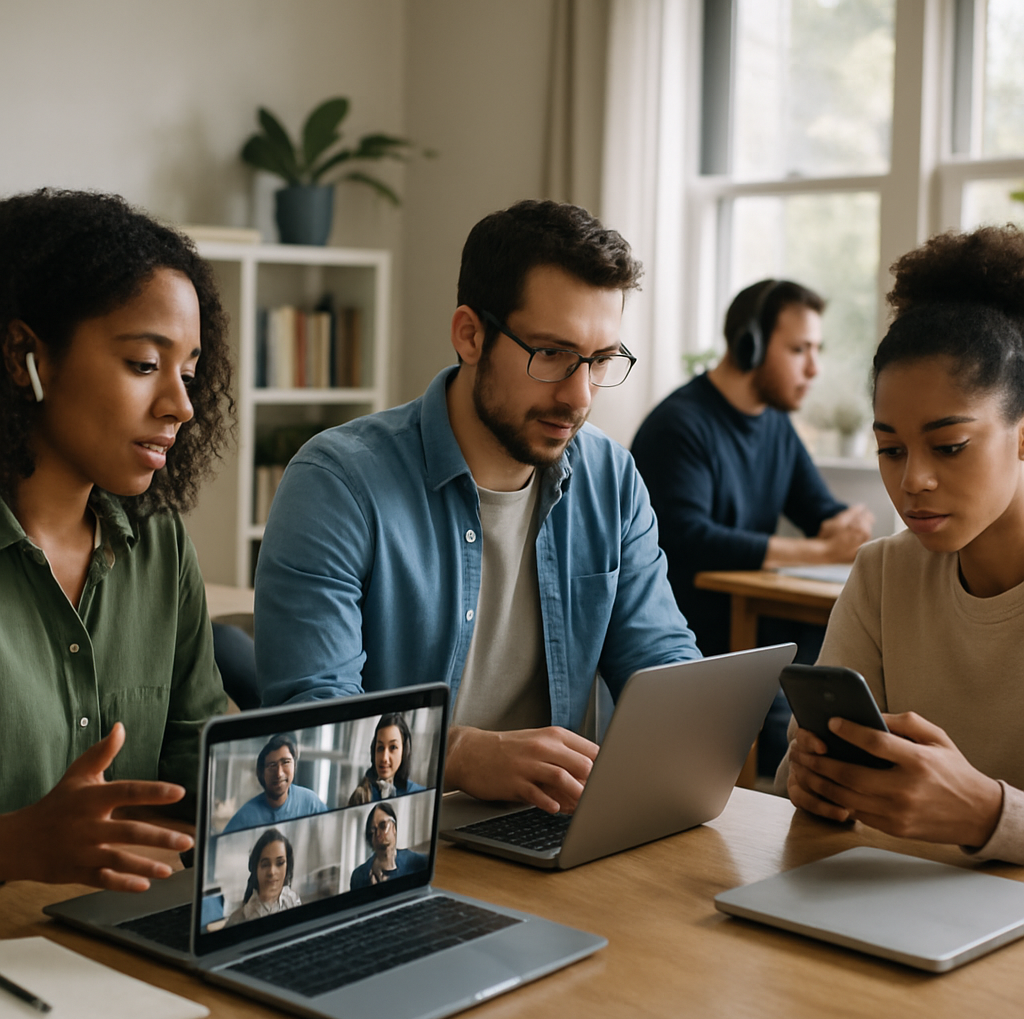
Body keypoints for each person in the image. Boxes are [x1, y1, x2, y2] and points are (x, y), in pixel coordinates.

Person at [255, 200, 700, 815]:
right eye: (551, 354)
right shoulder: (338, 483)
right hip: (393, 833)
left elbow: (662, 664)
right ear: (470, 334)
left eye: (600, 361)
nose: (579, 396)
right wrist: (459, 756)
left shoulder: (611, 477)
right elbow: (308, 727)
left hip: (549, 825)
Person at [0, 188, 231, 892]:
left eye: (189, 372)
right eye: (143, 364)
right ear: (23, 356)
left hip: (122, 944)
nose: (181, 406)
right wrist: (15, 848)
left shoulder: (160, 547)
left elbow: (203, 763)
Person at [776, 224, 1024, 865]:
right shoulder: (883, 572)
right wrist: (812, 779)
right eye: (890, 449)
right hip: (881, 908)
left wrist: (988, 812)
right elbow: (790, 792)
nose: (913, 481)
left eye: (949, 446)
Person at [632, 278, 874, 660]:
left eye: (816, 350)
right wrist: (822, 551)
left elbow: (816, 508)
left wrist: (845, 523)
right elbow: (691, 539)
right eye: (799, 350)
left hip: (761, 631)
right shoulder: (678, 426)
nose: (814, 369)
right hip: (697, 643)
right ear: (750, 346)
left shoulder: (775, 424)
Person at [224, 733, 327, 833]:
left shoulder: (310, 803)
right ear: (261, 773)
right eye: (272, 765)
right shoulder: (245, 817)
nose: (279, 773)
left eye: (286, 762)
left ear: (294, 765)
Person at [226, 828, 301, 925]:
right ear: (256, 868)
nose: (272, 872)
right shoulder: (240, 919)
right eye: (265, 864)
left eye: (280, 863)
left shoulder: (293, 901)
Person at [348, 713, 426, 805]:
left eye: (393, 747)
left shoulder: (420, 794)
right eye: (380, 748)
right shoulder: (361, 795)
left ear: (404, 751)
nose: (384, 758)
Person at [349, 803, 428, 888]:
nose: (378, 834)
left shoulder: (417, 862)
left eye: (383, 825)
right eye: (373, 830)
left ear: (394, 827)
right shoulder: (359, 876)